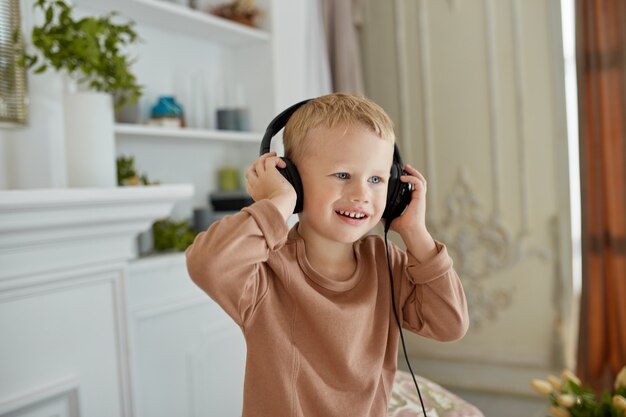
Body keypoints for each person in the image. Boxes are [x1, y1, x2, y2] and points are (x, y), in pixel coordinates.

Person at [185, 93, 469, 417]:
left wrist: (416, 233)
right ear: (293, 179)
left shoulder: (386, 263)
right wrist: (277, 202)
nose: (361, 194)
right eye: (343, 175)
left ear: (394, 192)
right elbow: (206, 263)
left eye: (377, 179)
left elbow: (450, 324)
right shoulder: (264, 270)